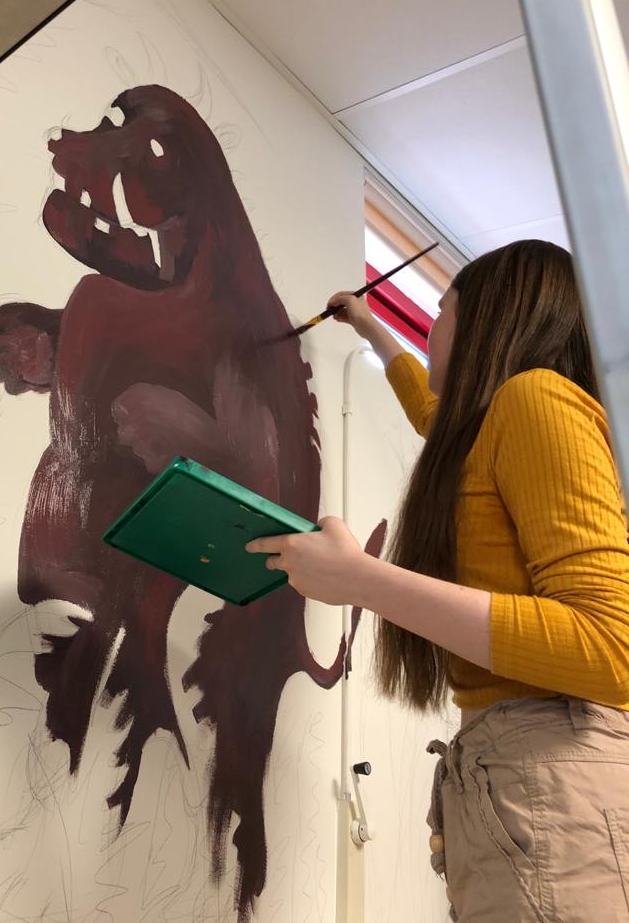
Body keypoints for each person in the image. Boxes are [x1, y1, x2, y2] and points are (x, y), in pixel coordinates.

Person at [246, 239, 629, 922]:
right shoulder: (495, 423)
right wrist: (370, 328)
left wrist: (361, 580)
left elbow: (612, 645)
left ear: (484, 319)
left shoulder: (535, 400)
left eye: (442, 310)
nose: (430, 330)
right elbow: (431, 414)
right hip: (524, 773)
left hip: (550, 774)